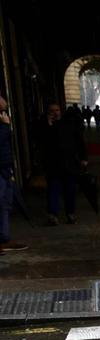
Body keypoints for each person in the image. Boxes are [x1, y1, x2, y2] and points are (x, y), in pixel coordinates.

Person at [37, 102, 84, 226]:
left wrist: (83, 157)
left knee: (70, 191)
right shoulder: (44, 125)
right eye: (52, 111)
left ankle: (70, 213)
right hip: (53, 165)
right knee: (53, 190)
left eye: (57, 110)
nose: (55, 113)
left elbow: (78, 140)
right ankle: (53, 214)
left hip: (69, 163)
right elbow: (41, 141)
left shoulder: (68, 123)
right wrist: (48, 124)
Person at [0, 95, 26, 255]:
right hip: (1, 169)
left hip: (4, 168)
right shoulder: (3, 127)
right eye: (3, 111)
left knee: (5, 204)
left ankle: (3, 239)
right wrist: (5, 127)